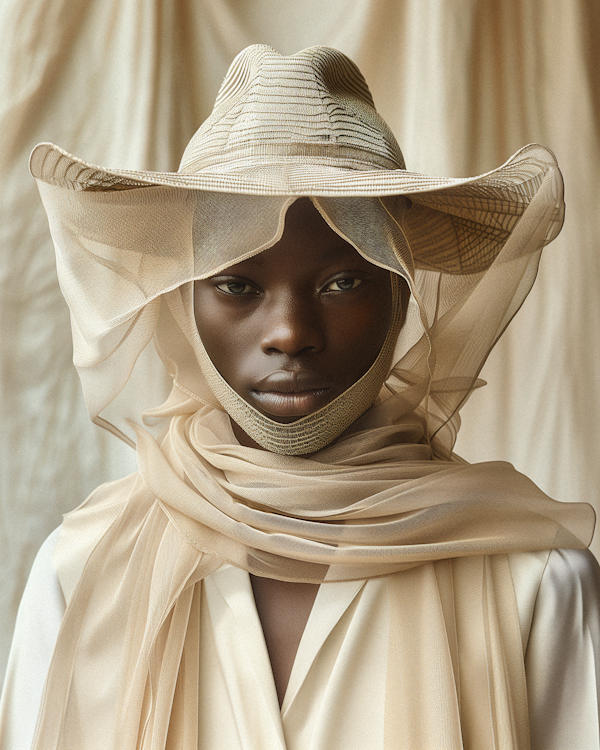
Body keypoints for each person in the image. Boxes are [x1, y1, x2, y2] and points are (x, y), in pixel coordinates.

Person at [1, 44, 599, 750]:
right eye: (237, 284)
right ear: (184, 303)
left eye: (343, 281)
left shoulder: (535, 585)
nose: (289, 333)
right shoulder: (82, 574)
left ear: (400, 294)